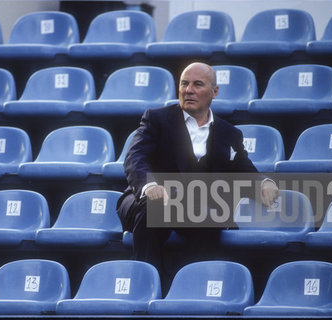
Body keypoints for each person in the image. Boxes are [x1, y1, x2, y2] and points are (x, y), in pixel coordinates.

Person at [116, 62, 278, 282]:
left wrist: (263, 182)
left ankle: (192, 283)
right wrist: (150, 185)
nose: (188, 90)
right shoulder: (157, 119)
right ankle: (145, 283)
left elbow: (243, 169)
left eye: (197, 84)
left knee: (213, 213)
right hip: (146, 202)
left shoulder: (229, 133)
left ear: (214, 92)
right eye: (184, 84)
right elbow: (135, 157)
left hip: (190, 207)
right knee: (154, 207)